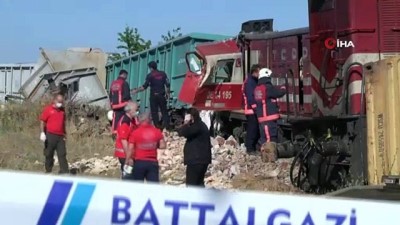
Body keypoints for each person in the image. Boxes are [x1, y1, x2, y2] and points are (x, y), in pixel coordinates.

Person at [253, 68, 286, 161]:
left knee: (264, 138)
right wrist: (284, 88)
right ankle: (269, 159)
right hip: (268, 118)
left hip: (262, 118)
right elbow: (278, 93)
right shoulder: (267, 88)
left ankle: (265, 157)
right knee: (270, 139)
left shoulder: (257, 88)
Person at [126, 112, 166, 182]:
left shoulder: (135, 133)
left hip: (139, 162)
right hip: (152, 163)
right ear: (149, 120)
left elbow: (130, 148)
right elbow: (163, 146)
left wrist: (127, 160)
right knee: (153, 188)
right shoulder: (156, 131)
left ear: (139, 120)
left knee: (138, 186)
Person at [177, 108, 212, 187]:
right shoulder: (200, 125)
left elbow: (183, 132)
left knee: (191, 185)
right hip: (201, 160)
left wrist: (186, 123)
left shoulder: (197, 126)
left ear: (191, 116)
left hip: (196, 161)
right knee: (199, 185)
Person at [132, 61, 171, 130]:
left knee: (154, 112)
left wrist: (136, 90)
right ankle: (167, 128)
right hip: (162, 95)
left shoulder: (150, 75)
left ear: (151, 68)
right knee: (164, 111)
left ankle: (157, 127)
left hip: (154, 96)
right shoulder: (163, 74)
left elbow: (144, 87)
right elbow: (168, 85)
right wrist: (168, 94)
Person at [39, 93, 69, 174]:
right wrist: (42, 133)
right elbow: (42, 121)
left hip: (60, 136)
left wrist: (64, 134)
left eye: (61, 102)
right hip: (50, 135)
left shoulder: (62, 111)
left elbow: (63, 123)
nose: (60, 103)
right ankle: (48, 170)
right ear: (54, 100)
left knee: (62, 154)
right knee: (49, 154)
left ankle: (64, 172)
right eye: (59, 101)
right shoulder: (48, 109)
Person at [114, 101, 139, 179]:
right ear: (130, 111)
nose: (137, 112)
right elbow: (124, 141)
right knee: (128, 176)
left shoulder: (131, 120)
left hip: (129, 153)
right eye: (136, 110)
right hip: (124, 154)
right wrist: (129, 158)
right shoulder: (125, 123)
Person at [242, 64, 261, 155]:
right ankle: (250, 149)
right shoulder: (250, 82)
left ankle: (252, 147)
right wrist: (255, 108)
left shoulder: (253, 81)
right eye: (259, 72)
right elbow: (250, 97)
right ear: (255, 72)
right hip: (251, 110)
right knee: (252, 129)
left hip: (253, 109)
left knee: (255, 129)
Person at [109, 69, 132, 135]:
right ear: (124, 75)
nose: (126, 78)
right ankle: (122, 133)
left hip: (114, 106)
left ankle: (114, 133)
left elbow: (110, 95)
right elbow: (127, 96)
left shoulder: (113, 83)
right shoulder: (124, 83)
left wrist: (111, 104)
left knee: (115, 119)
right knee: (124, 120)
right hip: (122, 105)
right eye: (126, 76)